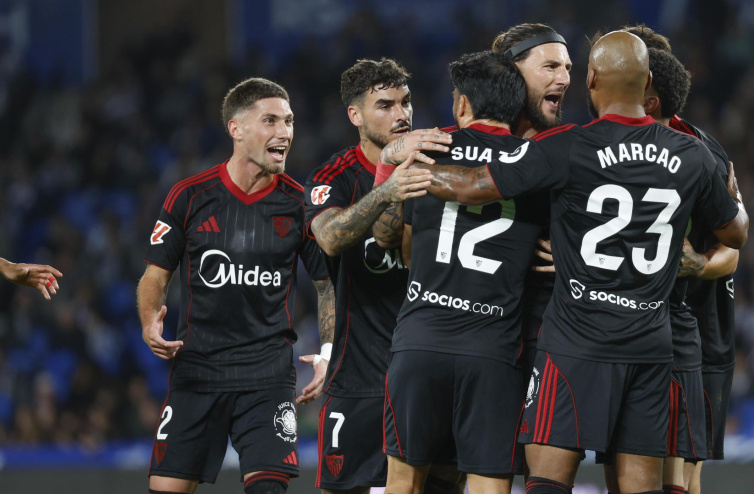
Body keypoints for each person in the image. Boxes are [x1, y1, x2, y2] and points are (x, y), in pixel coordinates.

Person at [405, 32, 749, 494]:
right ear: (647, 80)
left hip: (573, 344)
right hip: (649, 347)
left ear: (590, 79)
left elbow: (470, 186)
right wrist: (732, 210)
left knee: (546, 485)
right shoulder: (693, 155)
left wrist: (403, 166)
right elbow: (736, 233)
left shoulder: (570, 145)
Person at [137, 77, 334, 494]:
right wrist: (149, 322)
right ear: (236, 129)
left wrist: (328, 350)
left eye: (289, 121)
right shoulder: (189, 196)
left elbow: (327, 285)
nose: (285, 132)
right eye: (271, 121)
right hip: (197, 374)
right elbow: (156, 274)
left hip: (268, 378)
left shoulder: (300, 205)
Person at [383, 50, 547, 494]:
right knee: (489, 486)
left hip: (420, 341)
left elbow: (403, 248)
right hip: (493, 350)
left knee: (402, 484)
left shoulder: (428, 150)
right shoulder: (537, 160)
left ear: (461, 105)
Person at [304, 58, 461, 494]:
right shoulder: (333, 178)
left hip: (430, 375)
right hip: (357, 382)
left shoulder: (440, 167)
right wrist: (387, 190)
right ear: (355, 115)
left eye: (406, 102)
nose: (401, 115)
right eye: (385, 105)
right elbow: (331, 240)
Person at [621, 25, 742, 494]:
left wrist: (694, 266)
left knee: (681, 475)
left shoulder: (701, 153)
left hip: (697, 331)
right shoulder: (633, 147)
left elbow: (730, 249)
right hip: (652, 329)